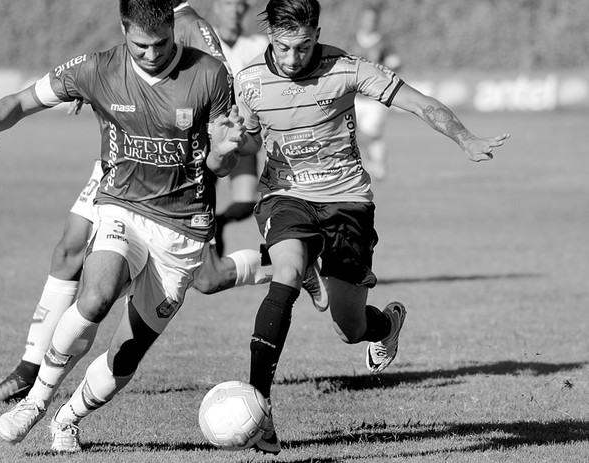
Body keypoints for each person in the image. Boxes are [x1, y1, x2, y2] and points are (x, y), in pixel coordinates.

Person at [0, 0, 251, 452]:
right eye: (140, 45)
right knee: (95, 296)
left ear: (173, 28)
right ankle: (34, 401)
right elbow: (21, 100)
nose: (151, 54)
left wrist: (228, 150)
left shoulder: (210, 74)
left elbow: (218, 164)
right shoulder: (97, 69)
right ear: (123, 29)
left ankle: (68, 417)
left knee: (126, 354)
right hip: (122, 208)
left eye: (160, 44)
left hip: (184, 228)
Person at [233, 0, 510, 454]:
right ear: (270, 39)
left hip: (347, 202)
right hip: (285, 195)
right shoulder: (248, 83)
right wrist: (230, 147)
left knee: (349, 327)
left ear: (316, 33)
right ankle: (259, 407)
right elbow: (232, 155)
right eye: (282, 48)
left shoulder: (348, 68)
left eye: (302, 47)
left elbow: (419, 103)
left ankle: (387, 326)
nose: (291, 59)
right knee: (283, 273)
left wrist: (465, 138)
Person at [211, 0, 270, 256]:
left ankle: (220, 222)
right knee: (199, 202)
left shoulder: (258, 46)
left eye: (240, 5)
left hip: (243, 134)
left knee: (246, 202)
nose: (234, 10)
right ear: (217, 8)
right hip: (206, 135)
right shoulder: (202, 42)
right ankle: (205, 262)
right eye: (228, 3)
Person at [353, 6, 402, 181]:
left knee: (368, 135)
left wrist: (388, 68)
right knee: (363, 136)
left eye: (373, 20)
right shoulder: (352, 40)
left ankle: (370, 163)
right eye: (366, 19)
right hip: (355, 98)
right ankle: (376, 164)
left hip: (376, 100)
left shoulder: (384, 43)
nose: (369, 22)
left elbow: (395, 64)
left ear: (377, 21)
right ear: (361, 19)